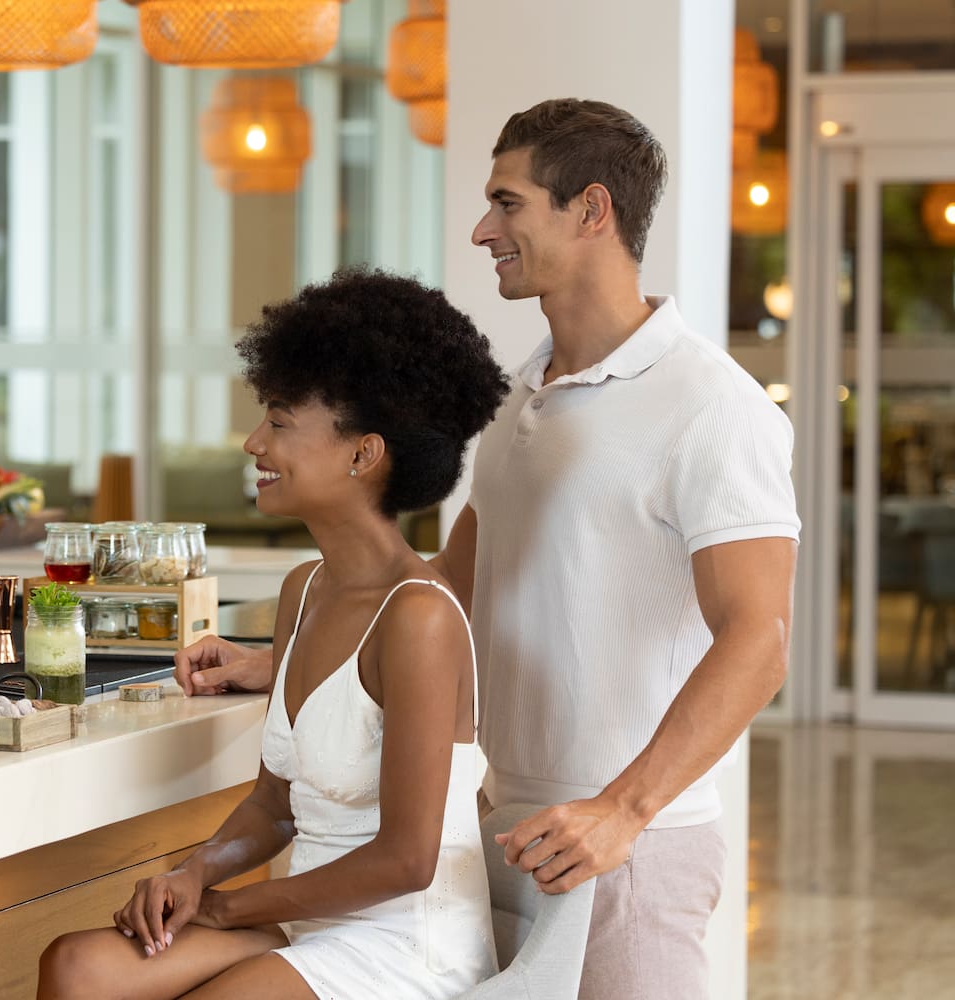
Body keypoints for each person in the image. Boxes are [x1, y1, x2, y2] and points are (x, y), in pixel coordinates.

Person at [177, 100, 800, 999]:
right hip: (499, 833)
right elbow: (450, 589)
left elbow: (760, 638)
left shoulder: (713, 408)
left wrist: (621, 812)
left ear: (591, 211)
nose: (483, 230)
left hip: (624, 848)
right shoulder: (521, 396)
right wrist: (286, 661)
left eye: (507, 204)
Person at [39, 270, 509, 1000]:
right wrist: (191, 873)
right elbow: (274, 802)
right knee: (75, 967)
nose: (256, 442)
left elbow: (406, 862)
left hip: (407, 941)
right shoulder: (304, 589)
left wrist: (225, 908)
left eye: (281, 422)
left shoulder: (419, 616)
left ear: (363, 454)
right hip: (309, 919)